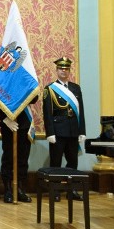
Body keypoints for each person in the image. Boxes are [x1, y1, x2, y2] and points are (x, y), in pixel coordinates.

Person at [42, 56, 86, 201]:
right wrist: (50, 132)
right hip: (58, 131)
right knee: (56, 163)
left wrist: (82, 131)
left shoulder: (76, 88)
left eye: (66, 69)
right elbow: (47, 113)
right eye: (61, 68)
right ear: (56, 70)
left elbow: (81, 111)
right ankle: (55, 191)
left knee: (73, 162)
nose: (64, 71)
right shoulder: (50, 89)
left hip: (73, 130)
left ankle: (71, 190)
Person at [0, 98, 37, 203]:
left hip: (24, 122)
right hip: (9, 122)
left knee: (23, 158)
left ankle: (20, 189)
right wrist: (5, 119)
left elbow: (34, 98)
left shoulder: (26, 80)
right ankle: (8, 190)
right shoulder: (4, 80)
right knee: (8, 158)